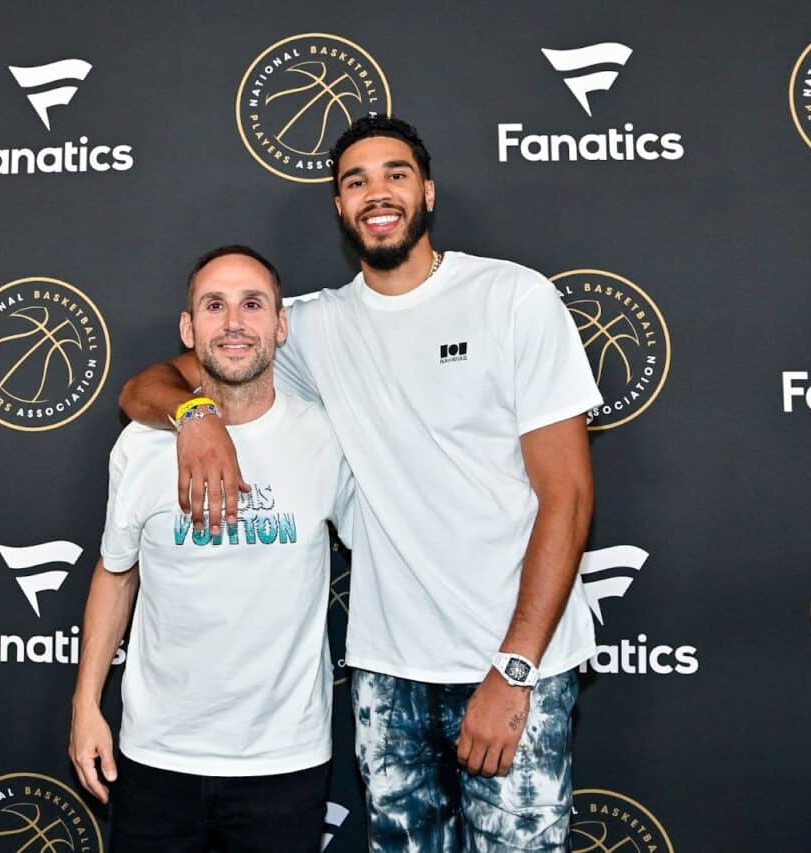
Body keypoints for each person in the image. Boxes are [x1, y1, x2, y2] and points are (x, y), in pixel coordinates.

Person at [119, 116, 602, 851]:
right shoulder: (306, 327)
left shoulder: (513, 299)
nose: (377, 192)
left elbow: (567, 496)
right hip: (389, 675)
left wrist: (514, 668)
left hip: (512, 666)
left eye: (395, 174)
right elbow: (146, 385)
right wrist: (193, 417)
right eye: (356, 181)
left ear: (428, 192)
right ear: (341, 209)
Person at [69, 245, 353, 852]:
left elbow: (388, 553)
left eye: (252, 305)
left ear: (279, 325)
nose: (233, 323)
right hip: (154, 758)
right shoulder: (142, 447)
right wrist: (86, 704)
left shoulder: (326, 438)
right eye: (214, 305)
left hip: (285, 761)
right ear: (187, 327)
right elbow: (116, 576)